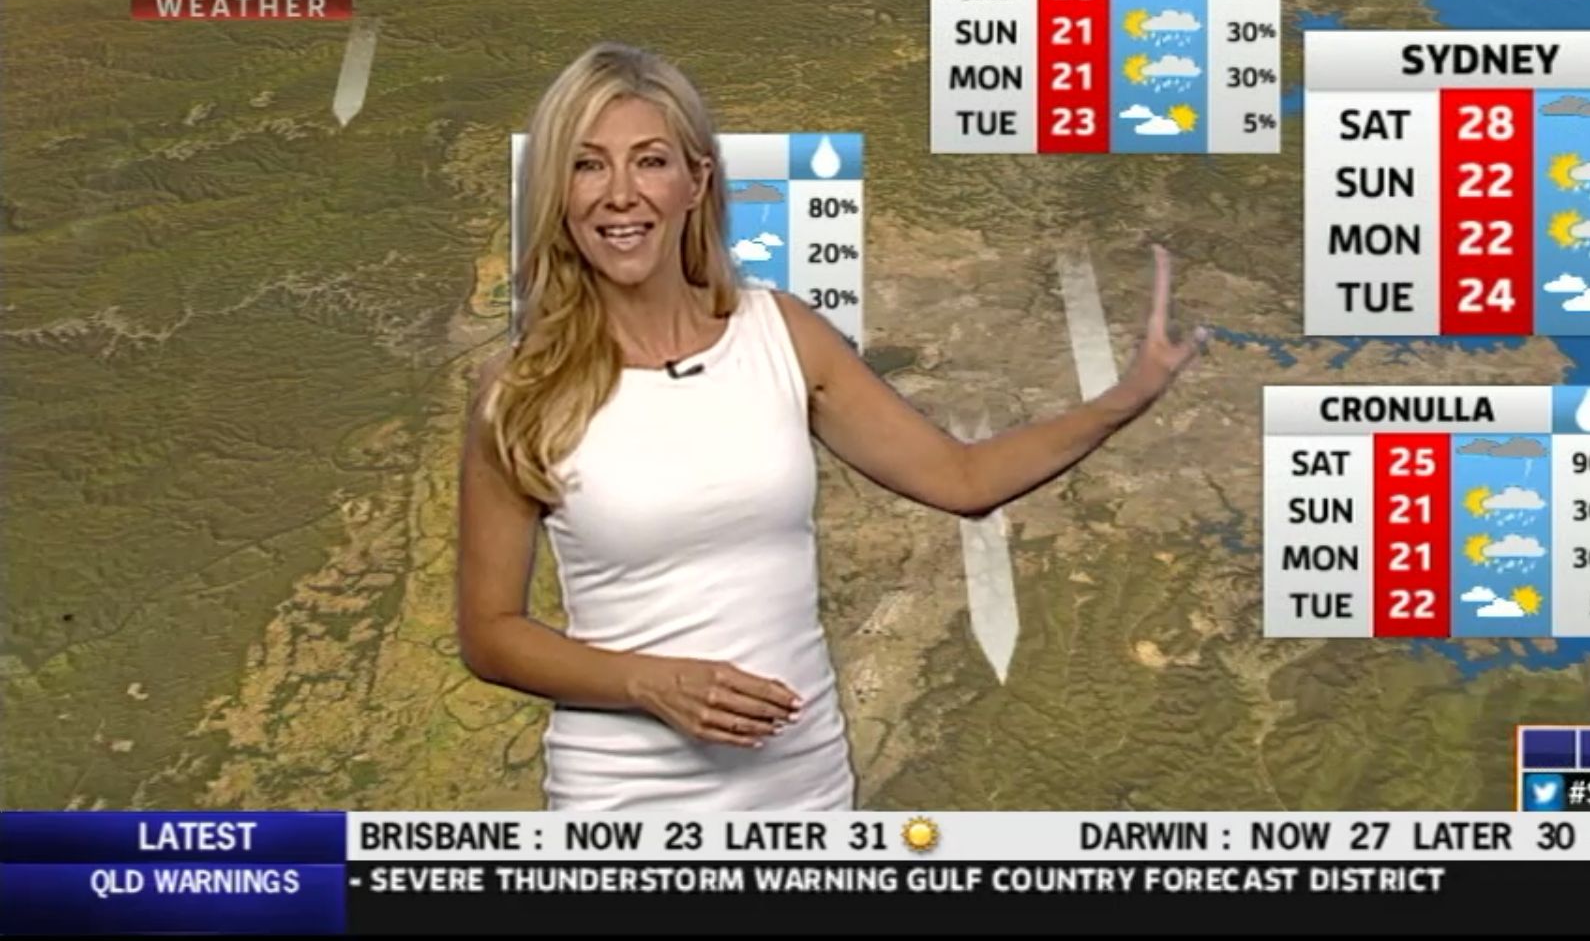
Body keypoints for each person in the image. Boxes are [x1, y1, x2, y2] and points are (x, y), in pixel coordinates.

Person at [457, 42, 1209, 810]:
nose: (620, 194)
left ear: (696, 182)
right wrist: (647, 682)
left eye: (649, 161)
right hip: (624, 808)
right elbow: (489, 633)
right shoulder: (522, 390)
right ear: (557, 192)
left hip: (805, 796)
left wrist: (1127, 397)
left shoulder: (781, 335)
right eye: (587, 166)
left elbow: (963, 478)